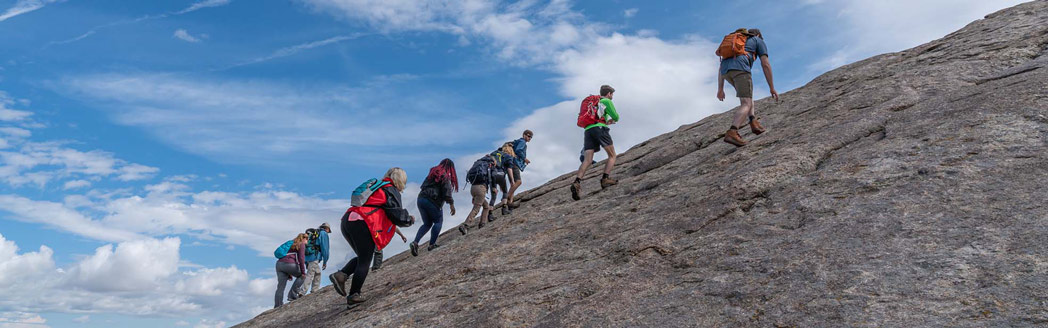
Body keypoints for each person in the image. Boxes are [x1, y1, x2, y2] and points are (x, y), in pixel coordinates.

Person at [328, 167, 415, 305]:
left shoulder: (377, 187)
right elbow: (396, 215)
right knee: (365, 261)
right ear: (401, 180)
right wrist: (409, 219)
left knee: (363, 257)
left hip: (348, 219)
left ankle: (341, 275)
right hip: (363, 222)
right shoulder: (391, 189)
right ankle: (354, 295)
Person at [716, 28, 778, 147]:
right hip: (740, 69)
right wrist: (772, 87)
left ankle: (753, 122)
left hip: (726, 72)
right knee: (746, 103)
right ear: (759, 35)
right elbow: (765, 64)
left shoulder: (737, 42)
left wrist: (720, 88)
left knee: (747, 97)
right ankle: (732, 132)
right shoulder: (757, 40)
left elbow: (721, 67)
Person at [570, 85, 619, 201]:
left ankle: (577, 182)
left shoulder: (595, 103)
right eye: (612, 95)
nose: (612, 97)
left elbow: (600, 117)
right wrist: (612, 120)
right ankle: (605, 179)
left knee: (587, 159)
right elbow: (616, 116)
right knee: (612, 155)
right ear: (609, 94)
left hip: (588, 130)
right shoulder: (606, 101)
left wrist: (606, 121)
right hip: (600, 129)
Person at [409, 159, 458, 256]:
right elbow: (447, 192)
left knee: (427, 223)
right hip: (433, 201)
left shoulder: (431, 174)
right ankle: (432, 244)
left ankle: (415, 242)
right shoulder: (444, 175)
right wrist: (452, 204)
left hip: (421, 199)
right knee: (438, 221)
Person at [458, 153, 497, 235]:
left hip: (473, 188)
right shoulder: (490, 165)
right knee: (476, 208)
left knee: (486, 206)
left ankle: (482, 223)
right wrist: (494, 187)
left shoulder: (479, 163)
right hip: (481, 188)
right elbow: (493, 176)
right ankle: (466, 225)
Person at [274, 233, 308, 308]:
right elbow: (301, 259)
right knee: (302, 276)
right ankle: (292, 296)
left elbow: (287, 256)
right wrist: (303, 272)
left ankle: (277, 305)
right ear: (304, 239)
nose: (307, 242)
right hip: (289, 264)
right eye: (307, 240)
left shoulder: (291, 244)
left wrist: (288, 273)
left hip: (279, 264)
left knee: (280, 287)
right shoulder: (301, 244)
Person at [297, 223, 330, 295]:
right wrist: (325, 261)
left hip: (308, 256)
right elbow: (325, 248)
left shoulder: (313, 234)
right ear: (327, 229)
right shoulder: (323, 233)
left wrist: (305, 262)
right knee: (310, 274)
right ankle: (302, 292)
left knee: (317, 273)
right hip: (315, 256)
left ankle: (314, 290)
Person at [506, 130, 532, 209]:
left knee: (513, 184)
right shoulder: (522, 141)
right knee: (518, 182)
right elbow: (518, 150)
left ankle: (510, 204)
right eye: (528, 136)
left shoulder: (518, 141)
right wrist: (525, 159)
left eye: (531, 137)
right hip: (515, 163)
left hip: (510, 163)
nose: (529, 138)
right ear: (524, 135)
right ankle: (506, 198)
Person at [490, 143, 517, 215]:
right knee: (505, 192)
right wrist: (512, 180)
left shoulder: (494, 153)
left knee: (493, 196)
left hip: (491, 175)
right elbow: (509, 169)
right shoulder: (508, 156)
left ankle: (490, 214)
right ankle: (504, 209)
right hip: (500, 175)